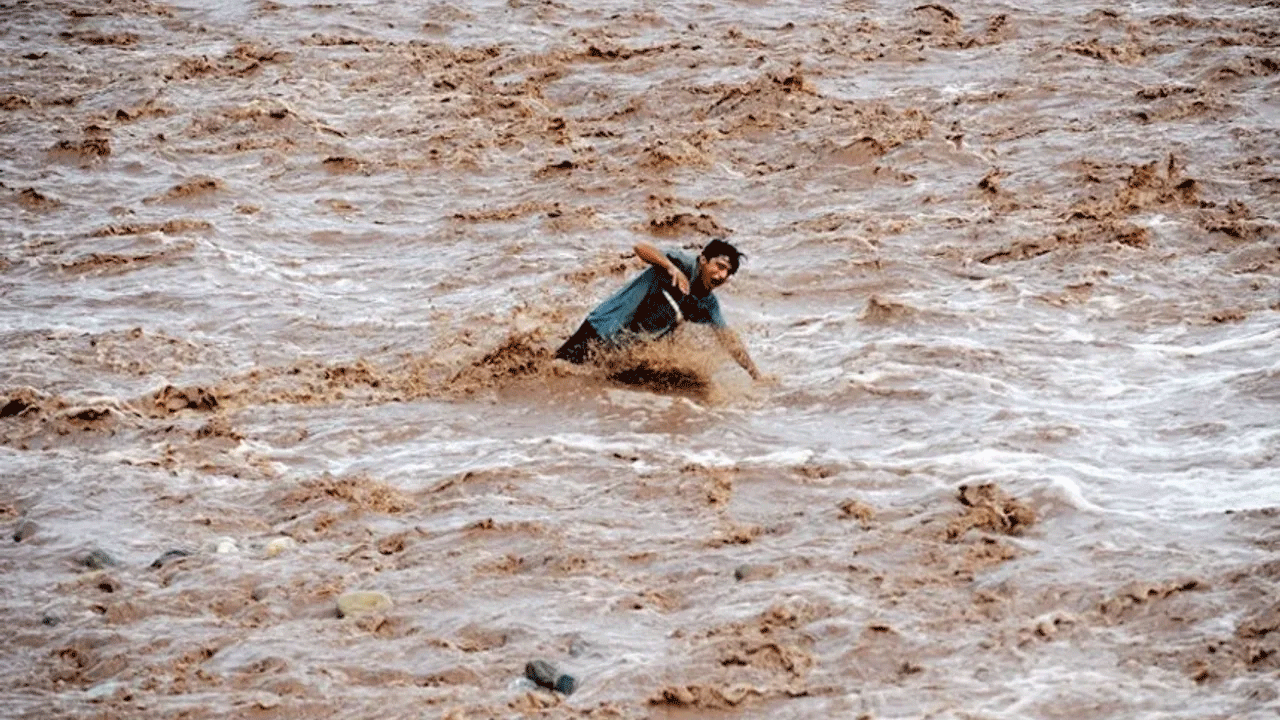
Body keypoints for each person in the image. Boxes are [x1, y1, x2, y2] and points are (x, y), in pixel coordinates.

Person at [555, 238, 762, 380]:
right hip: (600, 329)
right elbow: (640, 247)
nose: (722, 276)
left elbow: (727, 339)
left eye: (728, 273)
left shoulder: (707, 303)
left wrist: (755, 375)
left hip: (619, 354)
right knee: (556, 371)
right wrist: (670, 267)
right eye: (720, 266)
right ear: (703, 260)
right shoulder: (685, 264)